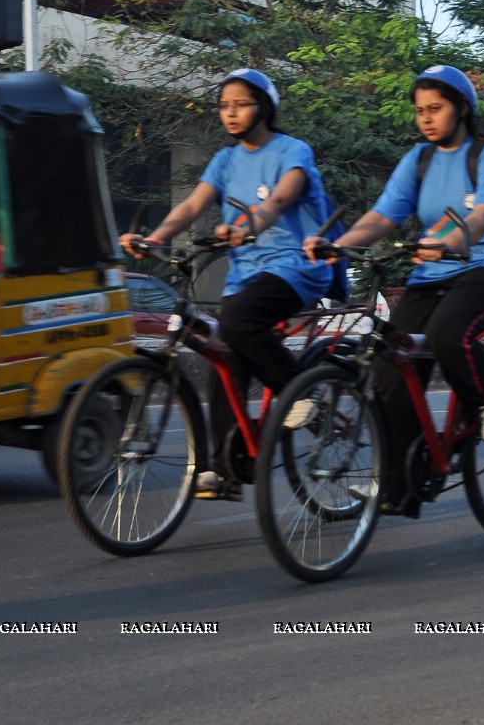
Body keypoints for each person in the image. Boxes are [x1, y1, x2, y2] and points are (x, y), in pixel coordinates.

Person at [304, 64, 484, 518]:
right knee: (391, 363)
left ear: (463, 108)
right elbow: (383, 216)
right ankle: (402, 484)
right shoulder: (418, 160)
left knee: (451, 334)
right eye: (419, 110)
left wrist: (447, 242)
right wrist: (339, 245)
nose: (425, 118)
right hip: (432, 275)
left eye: (436, 108)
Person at [121, 68, 334, 501]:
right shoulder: (225, 159)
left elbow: (278, 200)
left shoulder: (293, 150)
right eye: (224, 105)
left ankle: (299, 391)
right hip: (246, 275)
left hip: (296, 268)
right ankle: (227, 469)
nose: (231, 113)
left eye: (241, 104)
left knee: (236, 321)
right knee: (222, 356)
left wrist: (249, 224)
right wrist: (156, 237)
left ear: (265, 107)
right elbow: (193, 204)